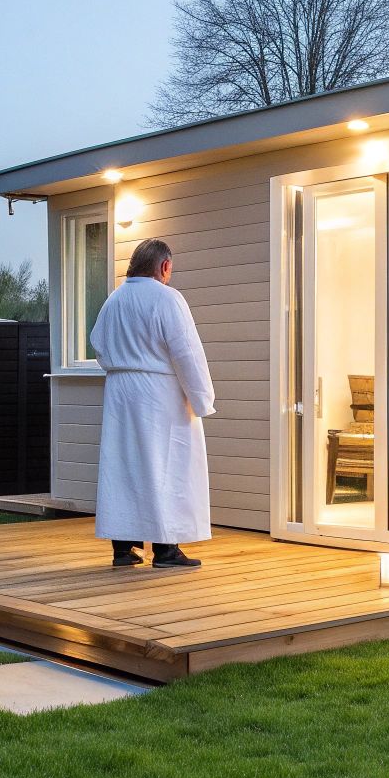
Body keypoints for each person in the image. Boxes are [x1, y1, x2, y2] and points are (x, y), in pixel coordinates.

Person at [89, 238, 215, 568]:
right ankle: (166, 549)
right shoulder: (167, 299)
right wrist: (202, 398)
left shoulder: (113, 300)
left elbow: (98, 345)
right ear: (164, 266)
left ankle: (124, 547)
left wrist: (123, 368)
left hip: (120, 393)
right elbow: (186, 352)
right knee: (164, 467)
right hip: (158, 395)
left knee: (124, 467)